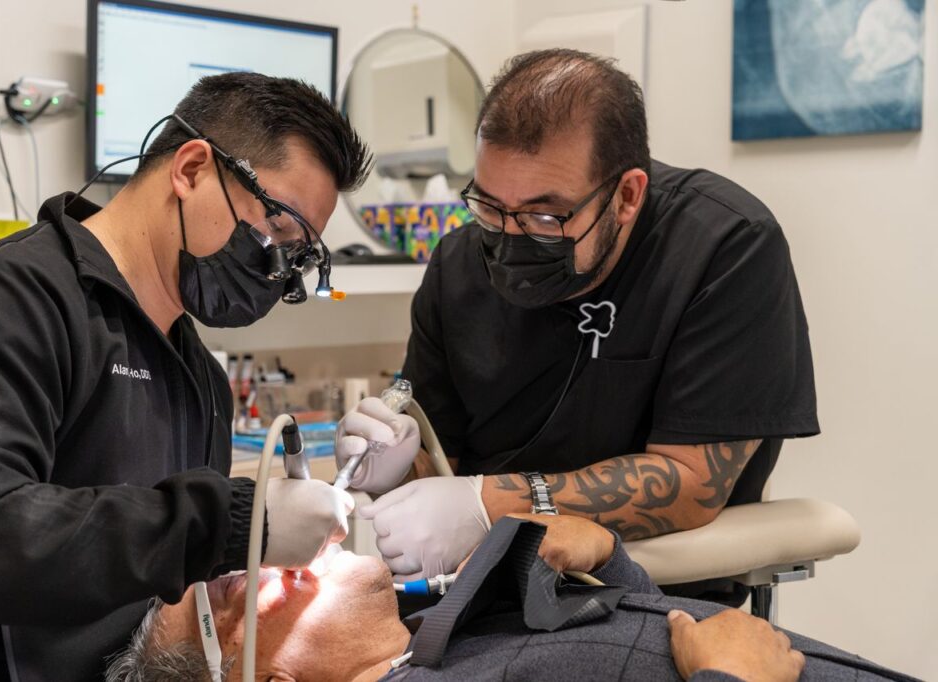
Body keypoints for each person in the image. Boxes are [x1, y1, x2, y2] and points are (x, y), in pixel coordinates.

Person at [0, 72, 371, 681]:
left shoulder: (201, 380)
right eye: (277, 227)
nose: (279, 270)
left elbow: (160, 586)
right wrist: (233, 521)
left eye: (301, 254)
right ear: (191, 169)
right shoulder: (4, 301)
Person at [335, 48, 819, 598]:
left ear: (627, 196)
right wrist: (394, 468)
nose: (510, 238)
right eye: (489, 207)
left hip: (655, 599)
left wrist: (487, 505)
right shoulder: (457, 266)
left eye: (545, 216)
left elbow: (691, 483)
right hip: (480, 593)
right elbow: (443, 471)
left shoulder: (724, 247)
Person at [106, 514, 914, 682]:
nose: (270, 564)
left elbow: (632, 646)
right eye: (232, 591)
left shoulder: (436, 640)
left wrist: (613, 564)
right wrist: (732, 681)